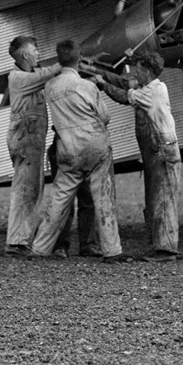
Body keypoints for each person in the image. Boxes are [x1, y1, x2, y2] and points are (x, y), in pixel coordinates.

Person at [28, 40, 125, 261]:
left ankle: (40, 248)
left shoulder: (50, 87)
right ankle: (112, 250)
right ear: (79, 58)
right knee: (103, 197)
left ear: (59, 59)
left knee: (59, 199)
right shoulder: (87, 87)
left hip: (67, 147)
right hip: (94, 145)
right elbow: (105, 117)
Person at [93, 52, 180, 260]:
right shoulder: (151, 86)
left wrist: (102, 84)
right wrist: (100, 72)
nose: (135, 74)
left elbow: (123, 95)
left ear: (147, 72)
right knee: (154, 197)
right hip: (155, 150)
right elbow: (125, 82)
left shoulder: (151, 93)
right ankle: (160, 244)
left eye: (139, 70)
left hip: (161, 149)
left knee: (162, 198)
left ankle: (167, 248)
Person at [4, 35, 60, 256]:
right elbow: (48, 73)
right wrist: (68, 61)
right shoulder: (18, 78)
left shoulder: (28, 76)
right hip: (26, 141)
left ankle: (22, 239)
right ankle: (17, 242)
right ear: (26, 55)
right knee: (26, 189)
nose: (38, 54)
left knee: (31, 188)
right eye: (35, 50)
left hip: (30, 141)